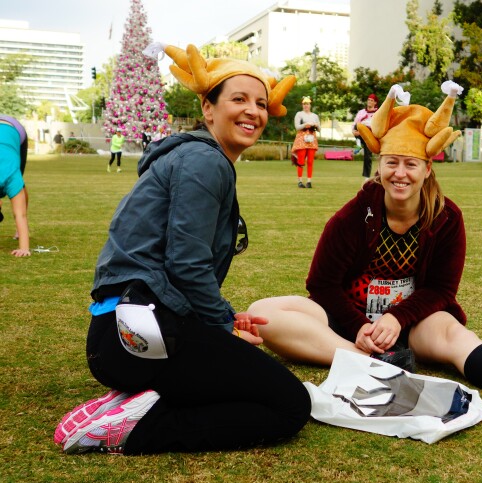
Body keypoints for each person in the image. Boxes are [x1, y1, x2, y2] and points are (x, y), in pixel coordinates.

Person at [248, 81, 482, 416]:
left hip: (413, 323)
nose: (400, 173)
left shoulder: (446, 218)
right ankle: (373, 361)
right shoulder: (354, 215)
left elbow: (442, 290)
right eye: (392, 162)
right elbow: (321, 284)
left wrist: (396, 318)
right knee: (262, 312)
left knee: (452, 333)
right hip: (347, 322)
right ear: (380, 165)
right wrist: (360, 329)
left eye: (411, 163)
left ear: (427, 168)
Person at [53, 42, 310, 455]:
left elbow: (177, 267)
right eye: (239, 99)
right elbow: (187, 265)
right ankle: (130, 430)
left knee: (250, 382)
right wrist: (223, 326)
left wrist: (224, 319)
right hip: (138, 336)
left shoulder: (194, 157)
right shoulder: (204, 161)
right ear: (208, 108)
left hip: (128, 333)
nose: (254, 111)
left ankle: (133, 401)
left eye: (261, 103)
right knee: (289, 405)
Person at [0, 114, 31, 257]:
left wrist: (24, 248)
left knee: (21, 187)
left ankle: (21, 231)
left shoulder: (12, 177)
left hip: (15, 129)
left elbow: (20, 214)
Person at [291, 96, 320, 188]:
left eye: (307, 104)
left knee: (310, 161)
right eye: (304, 104)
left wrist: (315, 125)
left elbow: (319, 129)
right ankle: (300, 180)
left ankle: (309, 181)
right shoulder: (299, 114)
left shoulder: (315, 116)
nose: (306, 106)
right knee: (301, 160)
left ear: (310, 105)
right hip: (302, 138)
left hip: (311, 137)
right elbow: (297, 127)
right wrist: (305, 125)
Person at [353, 93, 378, 181]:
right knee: (357, 126)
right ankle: (358, 144)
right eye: (368, 100)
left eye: (372, 101)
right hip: (360, 132)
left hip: (370, 135)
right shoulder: (361, 112)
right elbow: (355, 123)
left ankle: (366, 178)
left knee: (367, 157)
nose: (369, 102)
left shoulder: (377, 113)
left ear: (375, 103)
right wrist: (354, 132)